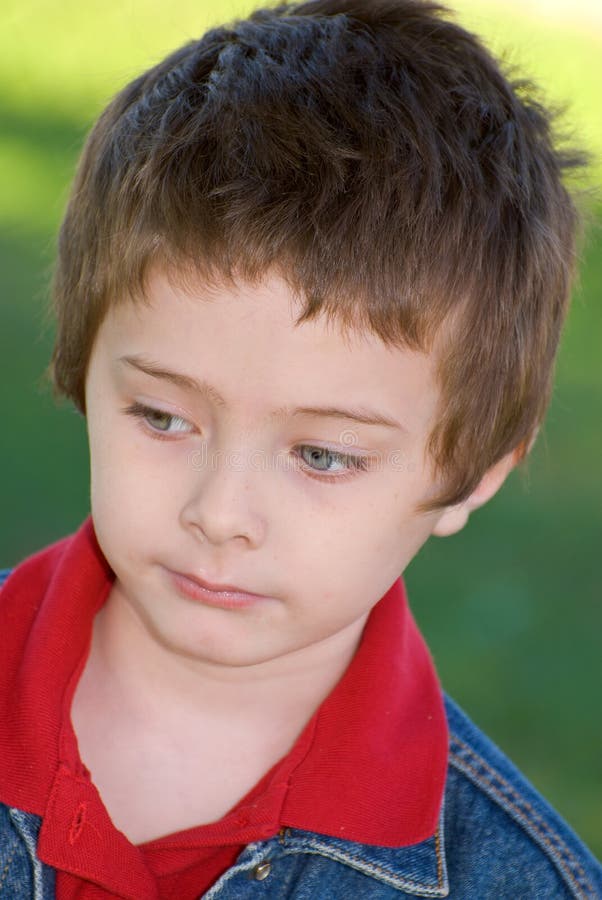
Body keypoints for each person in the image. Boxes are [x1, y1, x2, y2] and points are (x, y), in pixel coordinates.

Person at [1, 0, 600, 896]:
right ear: (81, 369)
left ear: (472, 475)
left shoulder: (513, 881)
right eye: (163, 417)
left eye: (322, 456)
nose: (220, 513)